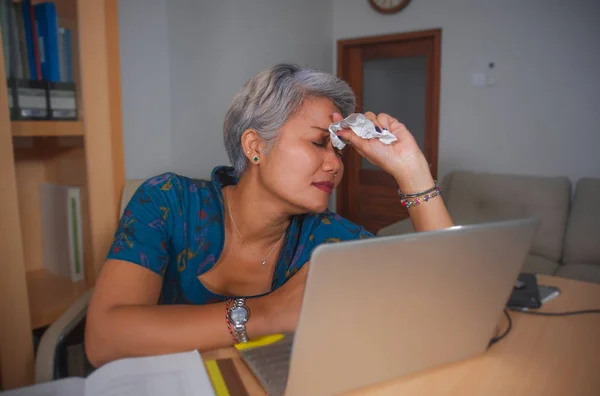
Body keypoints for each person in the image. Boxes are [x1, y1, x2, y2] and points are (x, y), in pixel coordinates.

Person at [85, 63, 453, 367]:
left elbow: (449, 309)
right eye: (318, 142)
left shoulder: (331, 241)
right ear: (255, 145)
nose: (335, 164)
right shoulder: (168, 203)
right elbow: (104, 339)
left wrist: (412, 171)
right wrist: (269, 312)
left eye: (340, 150)